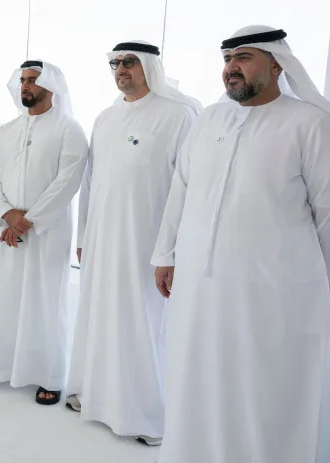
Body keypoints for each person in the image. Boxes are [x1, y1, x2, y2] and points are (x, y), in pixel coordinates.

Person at [152, 26, 330, 463]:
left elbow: (327, 210)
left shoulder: (309, 123)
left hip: (274, 289)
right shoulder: (210, 119)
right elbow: (181, 188)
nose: (231, 67)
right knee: (199, 376)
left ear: (276, 64)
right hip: (200, 286)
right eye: (227, 59)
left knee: (262, 384)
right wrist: (165, 254)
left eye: (243, 57)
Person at [65, 41, 200, 446]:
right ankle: (96, 395)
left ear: (150, 67)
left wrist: (171, 251)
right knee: (100, 315)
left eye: (129, 62)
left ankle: (146, 414)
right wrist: (83, 236)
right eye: (115, 63)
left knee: (144, 323)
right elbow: (90, 183)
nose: (120, 69)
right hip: (102, 239)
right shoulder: (106, 117)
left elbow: (188, 187)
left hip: (148, 243)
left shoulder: (179, 114)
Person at [0, 60, 87, 404]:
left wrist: (29, 221)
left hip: (46, 234)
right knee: (3, 296)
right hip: (6, 230)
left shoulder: (70, 130)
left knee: (44, 301)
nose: (25, 85)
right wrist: (7, 214)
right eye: (22, 79)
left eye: (33, 79)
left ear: (51, 85)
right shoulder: (8, 129)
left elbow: (68, 181)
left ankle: (46, 375)